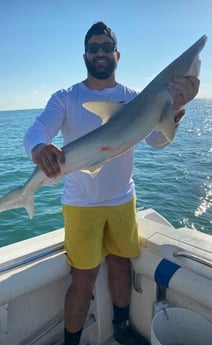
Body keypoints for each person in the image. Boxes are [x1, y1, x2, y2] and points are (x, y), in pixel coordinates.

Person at [24, 22, 199, 345]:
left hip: (122, 200)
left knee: (121, 266)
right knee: (84, 278)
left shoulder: (134, 98)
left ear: (117, 54)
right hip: (81, 205)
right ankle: (72, 341)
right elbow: (37, 131)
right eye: (94, 48)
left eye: (107, 47)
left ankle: (121, 329)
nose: (100, 53)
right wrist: (38, 148)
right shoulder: (66, 97)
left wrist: (177, 108)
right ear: (85, 55)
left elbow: (157, 141)